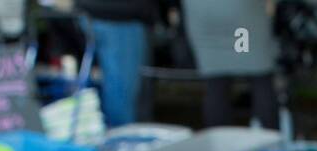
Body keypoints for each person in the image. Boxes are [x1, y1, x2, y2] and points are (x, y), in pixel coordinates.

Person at [182, 0, 279, 129]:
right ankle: (269, 138)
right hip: (242, 14)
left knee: (215, 81)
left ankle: (219, 143)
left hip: (200, 10)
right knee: (260, 76)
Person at [75, 0, 159, 127]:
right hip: (119, 18)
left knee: (122, 95)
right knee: (122, 101)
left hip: (109, 16)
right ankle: (124, 141)